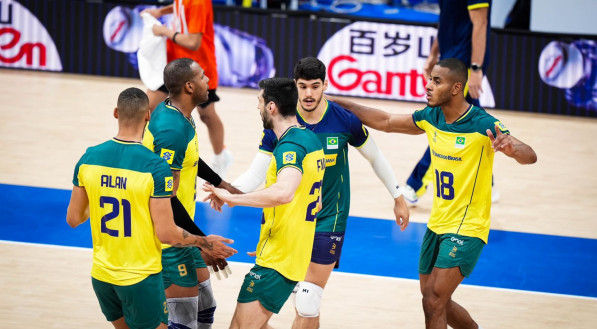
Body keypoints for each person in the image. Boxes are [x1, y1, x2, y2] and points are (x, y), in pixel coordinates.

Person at [331, 58, 537, 329]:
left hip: (468, 226)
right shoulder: (432, 117)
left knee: (434, 300)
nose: (428, 86)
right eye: (429, 79)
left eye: (436, 81)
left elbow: (530, 155)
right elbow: (386, 121)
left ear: (456, 88)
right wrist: (336, 102)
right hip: (438, 222)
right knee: (433, 299)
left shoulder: (482, 123)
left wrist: (512, 149)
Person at [232, 57, 410, 329]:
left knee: (307, 299)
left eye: (315, 86)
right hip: (289, 221)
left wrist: (397, 197)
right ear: (295, 86)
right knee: (272, 305)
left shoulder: (344, 120)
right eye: (303, 87)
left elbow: (376, 158)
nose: (309, 94)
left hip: (329, 218)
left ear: (325, 85)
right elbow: (256, 173)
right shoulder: (281, 121)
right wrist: (227, 191)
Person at [65, 87, 237, 329]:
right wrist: (204, 242)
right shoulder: (155, 167)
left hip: (102, 276)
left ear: (116, 113)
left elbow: (73, 218)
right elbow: (166, 233)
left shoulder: (89, 158)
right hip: (140, 277)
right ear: (148, 115)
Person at [205, 77, 326, 329]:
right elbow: (317, 201)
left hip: (280, 258)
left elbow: (284, 194)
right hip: (290, 251)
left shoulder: (289, 147)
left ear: (272, 107)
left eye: (259, 102)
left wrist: (233, 198)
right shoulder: (312, 140)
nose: (258, 108)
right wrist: (270, 236)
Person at [142, 58, 238, 329]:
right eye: (204, 77)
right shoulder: (172, 130)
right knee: (183, 322)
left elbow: (190, 159)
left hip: (185, 230)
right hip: (169, 237)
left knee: (206, 307)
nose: (209, 81)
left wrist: (221, 183)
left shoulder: (178, 113)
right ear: (188, 86)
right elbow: (166, 198)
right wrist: (204, 242)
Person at [402, 0, 496, 204]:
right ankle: (488, 182)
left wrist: (476, 68)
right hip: (450, 58)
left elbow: (480, 22)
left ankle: (415, 186)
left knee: (444, 122)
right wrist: (434, 54)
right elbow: (446, 20)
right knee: (471, 120)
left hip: (465, 63)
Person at [142, 0, 233, 178]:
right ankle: (140, 156)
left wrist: (164, 31)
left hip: (197, 67)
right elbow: (180, 6)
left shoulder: (199, 2)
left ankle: (221, 158)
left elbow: (193, 42)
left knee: (206, 114)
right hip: (172, 64)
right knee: (146, 109)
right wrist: (160, 12)